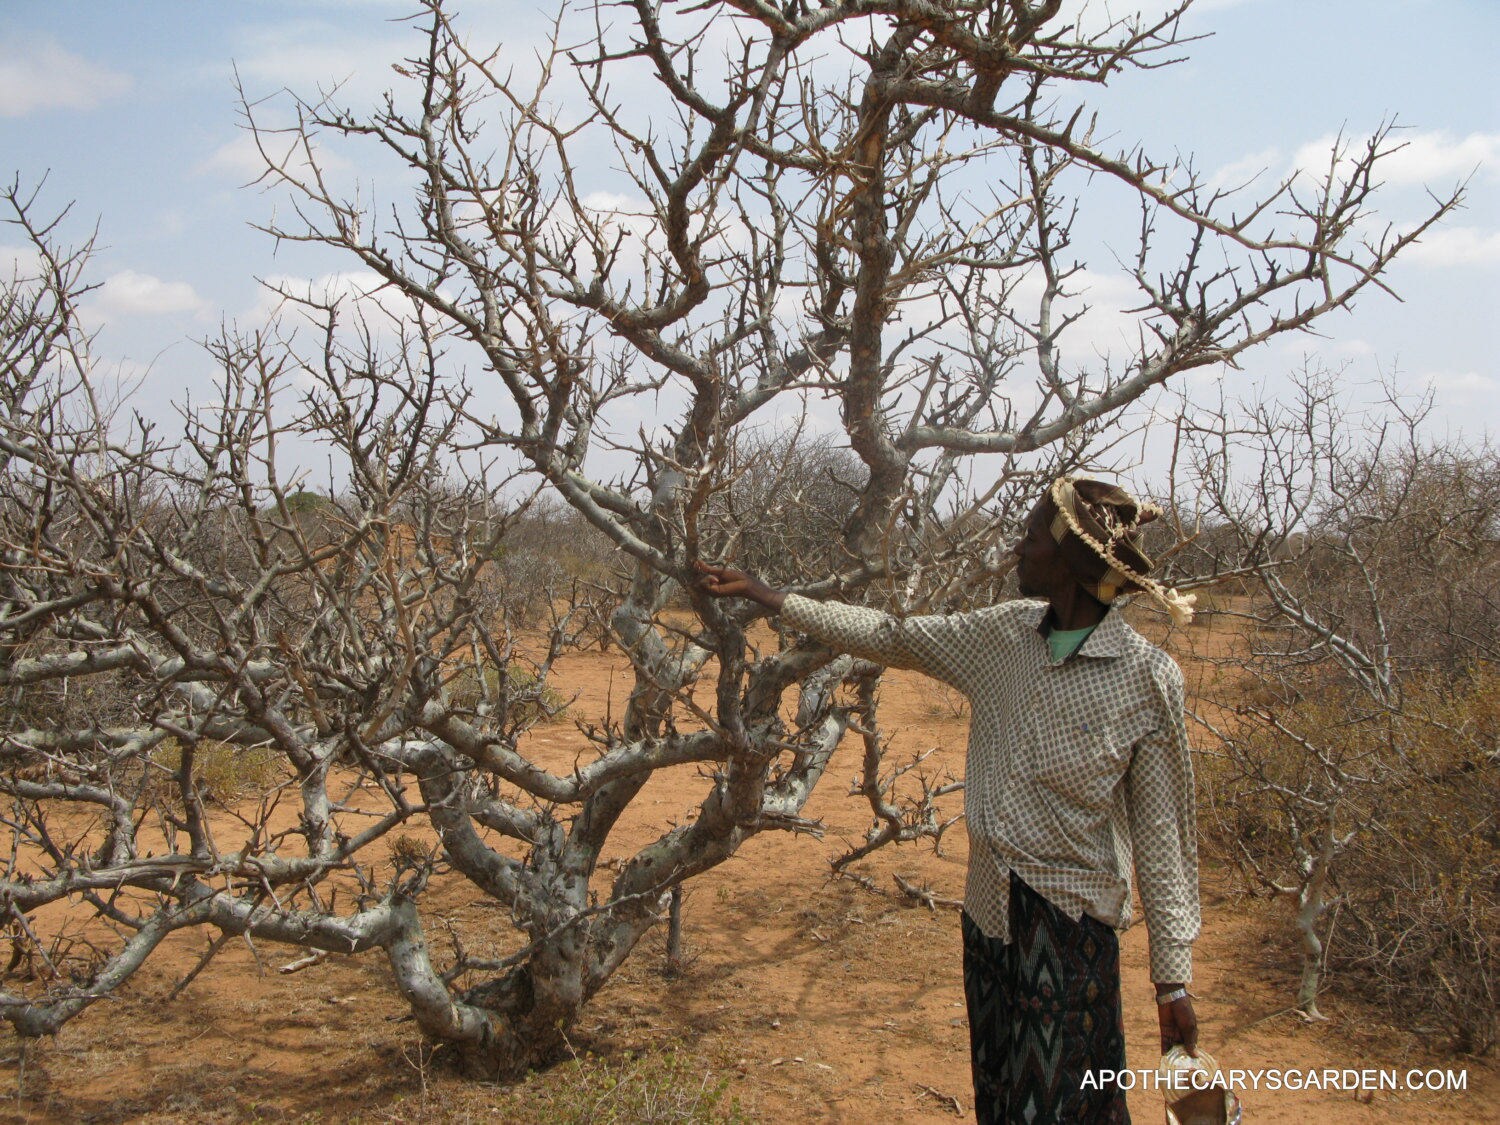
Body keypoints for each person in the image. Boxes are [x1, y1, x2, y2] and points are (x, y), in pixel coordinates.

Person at [696, 475, 1201, 1124]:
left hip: (1071, 933)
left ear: (1072, 563)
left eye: (1028, 538)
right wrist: (774, 598)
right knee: (1000, 1096)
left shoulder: (1146, 679)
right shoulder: (1002, 637)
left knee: (1066, 1104)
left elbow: (1162, 842)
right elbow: (892, 635)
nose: (1015, 550)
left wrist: (1173, 979)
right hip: (988, 918)